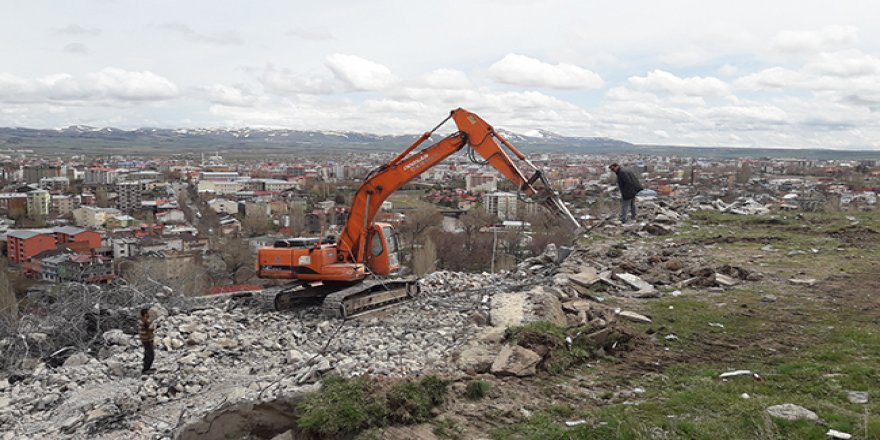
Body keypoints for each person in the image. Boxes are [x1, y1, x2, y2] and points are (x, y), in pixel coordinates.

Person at [138, 308, 155, 374]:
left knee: (147, 354)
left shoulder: (142, 321)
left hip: (146, 340)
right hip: (147, 340)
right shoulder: (144, 322)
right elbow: (150, 329)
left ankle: (146, 368)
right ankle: (146, 369)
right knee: (151, 355)